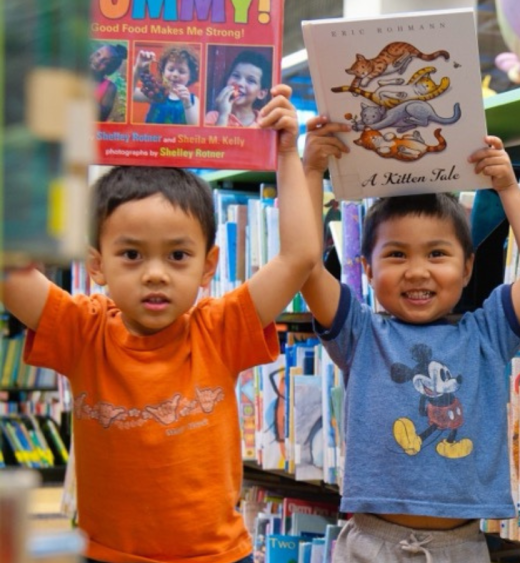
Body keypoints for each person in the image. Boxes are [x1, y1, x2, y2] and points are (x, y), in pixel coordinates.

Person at [1, 84, 316, 563]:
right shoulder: (82, 332)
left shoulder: (220, 329)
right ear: (96, 264)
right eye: (131, 254)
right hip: (106, 555)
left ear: (209, 266)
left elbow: (300, 256)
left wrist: (288, 154)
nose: (154, 273)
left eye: (177, 255)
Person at [300, 115, 520, 562]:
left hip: (460, 548)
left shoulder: (487, 334)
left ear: (468, 268)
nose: (417, 271)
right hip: (369, 543)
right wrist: (309, 172)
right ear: (367, 269)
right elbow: (304, 265)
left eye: (437, 254)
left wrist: (508, 189)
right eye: (396, 254)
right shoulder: (360, 334)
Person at [132, 45, 200, 125]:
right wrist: (138, 68)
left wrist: (187, 104)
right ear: (163, 72)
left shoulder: (193, 100)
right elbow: (130, 94)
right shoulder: (156, 93)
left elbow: (195, 125)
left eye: (181, 71)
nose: (175, 74)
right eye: (171, 69)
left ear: (190, 76)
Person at [205, 50, 272, 127]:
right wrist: (223, 116)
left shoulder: (265, 122)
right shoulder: (213, 117)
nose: (240, 83)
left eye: (251, 80)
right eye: (236, 76)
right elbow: (214, 139)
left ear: (261, 93)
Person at [91, 43, 127, 122]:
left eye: (105, 62)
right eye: (98, 54)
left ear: (110, 70)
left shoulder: (109, 88)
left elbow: (102, 116)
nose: (98, 61)